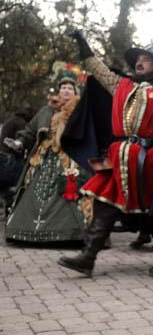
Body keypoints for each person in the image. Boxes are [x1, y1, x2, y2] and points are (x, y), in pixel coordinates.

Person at [57, 31, 153, 277]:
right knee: (103, 200)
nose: (139, 62)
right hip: (119, 156)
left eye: (146, 59)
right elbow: (100, 72)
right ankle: (88, 257)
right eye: (138, 59)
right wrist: (85, 47)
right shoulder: (122, 86)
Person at [4, 74, 91, 243]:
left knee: (69, 189)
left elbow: (88, 133)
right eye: (63, 88)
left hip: (69, 159)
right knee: (35, 191)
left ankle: (72, 234)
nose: (66, 91)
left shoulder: (81, 110)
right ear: (58, 92)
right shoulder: (46, 110)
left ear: (75, 92)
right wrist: (19, 142)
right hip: (43, 158)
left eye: (70, 88)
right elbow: (30, 130)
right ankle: (23, 231)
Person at [0, 107, 33, 201]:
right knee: (10, 189)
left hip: (2, 155)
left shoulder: (9, 120)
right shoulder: (21, 123)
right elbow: (20, 143)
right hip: (10, 160)